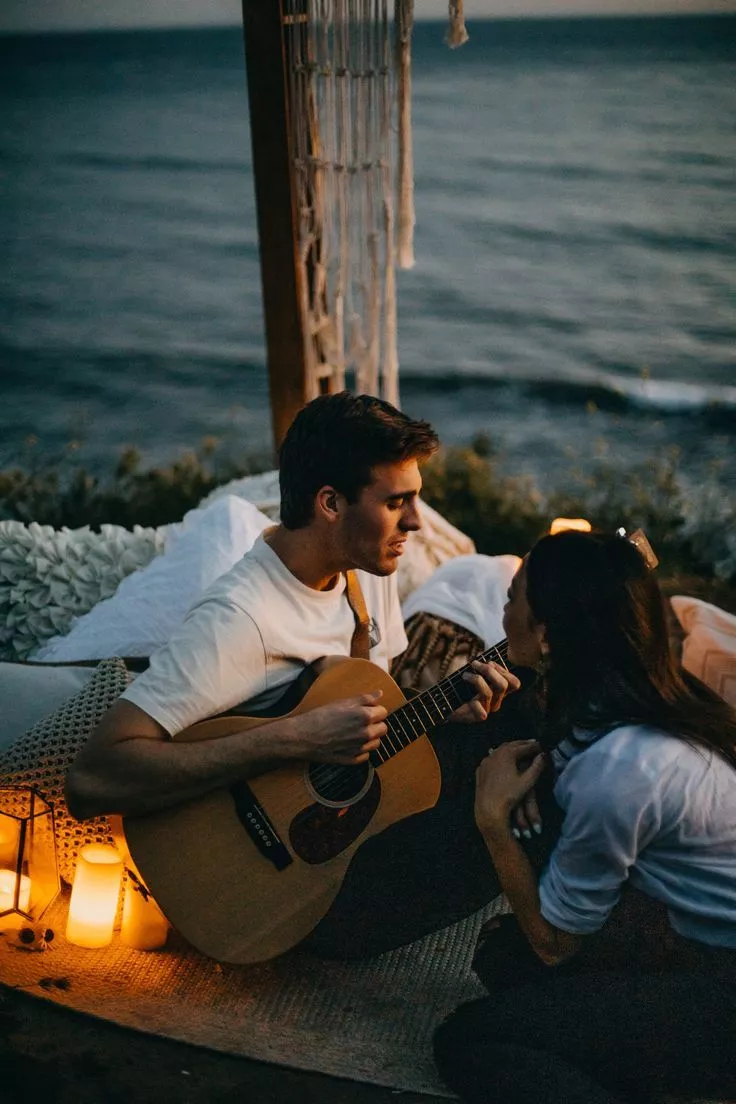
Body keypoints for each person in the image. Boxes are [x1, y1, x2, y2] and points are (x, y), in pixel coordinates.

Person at [65, 391, 524, 959]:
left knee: (514, 732)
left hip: (331, 828)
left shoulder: (365, 566)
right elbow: (92, 780)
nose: (415, 523)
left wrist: (433, 708)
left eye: (416, 502)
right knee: (503, 820)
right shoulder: (239, 621)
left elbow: (358, 707)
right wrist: (292, 738)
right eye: (396, 503)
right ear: (330, 503)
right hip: (263, 888)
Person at [434, 529, 736, 1104]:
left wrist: (492, 819)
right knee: (506, 959)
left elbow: (555, 945)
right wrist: (537, 760)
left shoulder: (620, 771)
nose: (504, 606)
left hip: (723, 992)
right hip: (691, 935)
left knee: (471, 1038)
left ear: (545, 633)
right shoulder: (654, 699)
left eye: (514, 594)